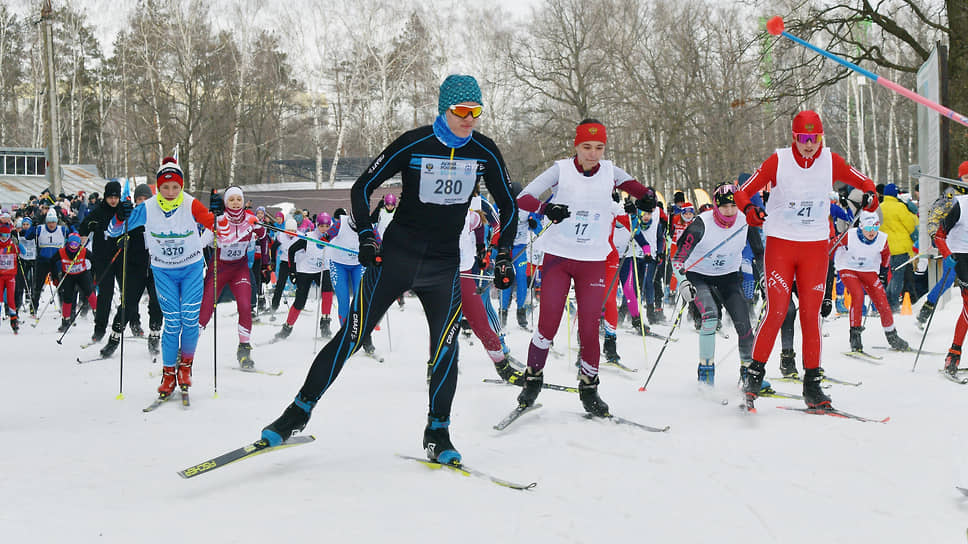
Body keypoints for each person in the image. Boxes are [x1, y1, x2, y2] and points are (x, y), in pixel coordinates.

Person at [260, 75, 517, 466]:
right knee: (351, 335)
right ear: (443, 110)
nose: (469, 119)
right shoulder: (414, 143)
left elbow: (509, 205)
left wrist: (500, 256)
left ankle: (438, 432)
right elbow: (363, 187)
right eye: (461, 111)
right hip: (396, 260)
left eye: (475, 111)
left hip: (443, 267)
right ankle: (296, 412)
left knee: (445, 349)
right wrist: (366, 235)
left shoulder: (483, 150)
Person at [735, 110, 878, 410]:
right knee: (777, 310)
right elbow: (743, 192)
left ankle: (812, 385)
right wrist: (750, 209)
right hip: (781, 245)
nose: (809, 145)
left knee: (811, 316)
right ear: (794, 138)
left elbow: (866, 183)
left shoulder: (831, 160)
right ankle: (754, 376)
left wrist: (870, 197)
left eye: (814, 138)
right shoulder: (780, 160)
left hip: (814, 247)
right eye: (803, 138)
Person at [515, 118, 657, 416]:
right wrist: (546, 208)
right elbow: (523, 198)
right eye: (587, 147)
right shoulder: (561, 170)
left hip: (592, 259)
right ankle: (533, 378)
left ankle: (589, 387)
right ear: (576, 146)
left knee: (590, 328)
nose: (593, 154)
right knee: (548, 324)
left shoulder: (610, 171)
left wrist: (647, 198)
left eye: (599, 147)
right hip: (558, 256)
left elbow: (641, 191)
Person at [109, 158, 215, 399]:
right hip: (163, 271)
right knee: (173, 321)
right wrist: (120, 215)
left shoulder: (191, 204)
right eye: (165, 187)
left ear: (181, 187)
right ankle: (168, 373)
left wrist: (221, 213)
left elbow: (220, 226)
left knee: (189, 319)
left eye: (175, 187)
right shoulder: (148, 207)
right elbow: (115, 231)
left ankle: (185, 366)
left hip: (190, 268)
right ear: (158, 187)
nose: (170, 192)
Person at [672, 183, 761, 386]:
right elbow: (678, 259)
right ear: (715, 205)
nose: (729, 211)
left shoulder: (746, 222)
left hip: (728, 277)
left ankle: (748, 374)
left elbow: (759, 253)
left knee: (744, 325)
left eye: (733, 206)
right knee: (710, 317)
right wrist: (683, 282)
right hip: (699, 276)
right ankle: (706, 374)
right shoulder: (700, 224)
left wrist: (764, 276)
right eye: (724, 207)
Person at [198, 186, 265, 369]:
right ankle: (185, 351)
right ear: (226, 202)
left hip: (239, 269)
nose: (235, 203)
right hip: (219, 269)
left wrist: (259, 230)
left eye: (239, 199)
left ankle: (244, 349)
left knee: (245, 306)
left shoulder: (250, 219)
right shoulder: (217, 221)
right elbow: (199, 245)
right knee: (205, 312)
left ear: (243, 202)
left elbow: (263, 235)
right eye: (231, 200)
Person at [833, 211, 909, 353]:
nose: (872, 232)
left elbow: (886, 255)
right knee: (857, 295)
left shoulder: (881, 238)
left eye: (875, 227)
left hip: (869, 270)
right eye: (868, 228)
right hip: (848, 267)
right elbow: (831, 246)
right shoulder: (850, 235)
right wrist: (827, 261)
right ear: (861, 226)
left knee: (882, 301)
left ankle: (892, 336)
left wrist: (884, 272)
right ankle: (855, 337)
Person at [273, 212, 340, 343]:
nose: (324, 229)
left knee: (327, 292)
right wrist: (293, 272)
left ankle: (325, 324)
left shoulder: (333, 238)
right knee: (300, 301)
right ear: (317, 225)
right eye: (322, 226)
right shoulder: (308, 237)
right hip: (305, 271)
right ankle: (287, 328)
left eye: (327, 226)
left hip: (322, 269)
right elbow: (292, 250)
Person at [77, 181, 127, 342]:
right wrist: (89, 228)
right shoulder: (98, 211)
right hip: (103, 259)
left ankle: (132, 323)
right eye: (110, 197)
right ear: (105, 197)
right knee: (105, 294)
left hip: (120, 257)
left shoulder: (123, 210)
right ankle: (99, 328)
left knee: (127, 293)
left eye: (116, 197)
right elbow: (83, 227)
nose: (113, 200)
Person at [24, 209, 72, 316]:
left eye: (53, 222)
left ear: (56, 222)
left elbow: (74, 237)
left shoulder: (62, 230)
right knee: (38, 286)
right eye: (49, 222)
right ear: (46, 222)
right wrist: (33, 224)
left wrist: (70, 223)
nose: (51, 224)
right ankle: (33, 308)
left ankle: (63, 309)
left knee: (60, 287)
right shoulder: (40, 229)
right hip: (42, 261)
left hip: (57, 262)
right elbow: (27, 236)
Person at [879, 183, 918, 312]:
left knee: (893, 274)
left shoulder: (880, 208)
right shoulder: (900, 207)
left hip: (885, 247)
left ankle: (888, 300)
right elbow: (910, 224)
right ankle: (892, 303)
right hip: (900, 247)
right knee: (898, 276)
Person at [54, 233, 97, 333]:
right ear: (68, 243)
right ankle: (65, 320)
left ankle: (97, 313)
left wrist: (94, 275)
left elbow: (94, 260)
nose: (74, 246)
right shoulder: (62, 251)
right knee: (67, 297)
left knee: (89, 292)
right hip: (68, 275)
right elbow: (52, 261)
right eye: (72, 243)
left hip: (82, 274)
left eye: (76, 244)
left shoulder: (83, 250)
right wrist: (55, 276)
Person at [0, 224, 20, 333]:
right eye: (2, 234)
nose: (4, 237)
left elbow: (23, 253)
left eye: (6, 235)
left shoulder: (12, 245)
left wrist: (19, 246)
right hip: (0, 276)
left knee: (10, 298)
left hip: (10, 275)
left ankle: (13, 319)